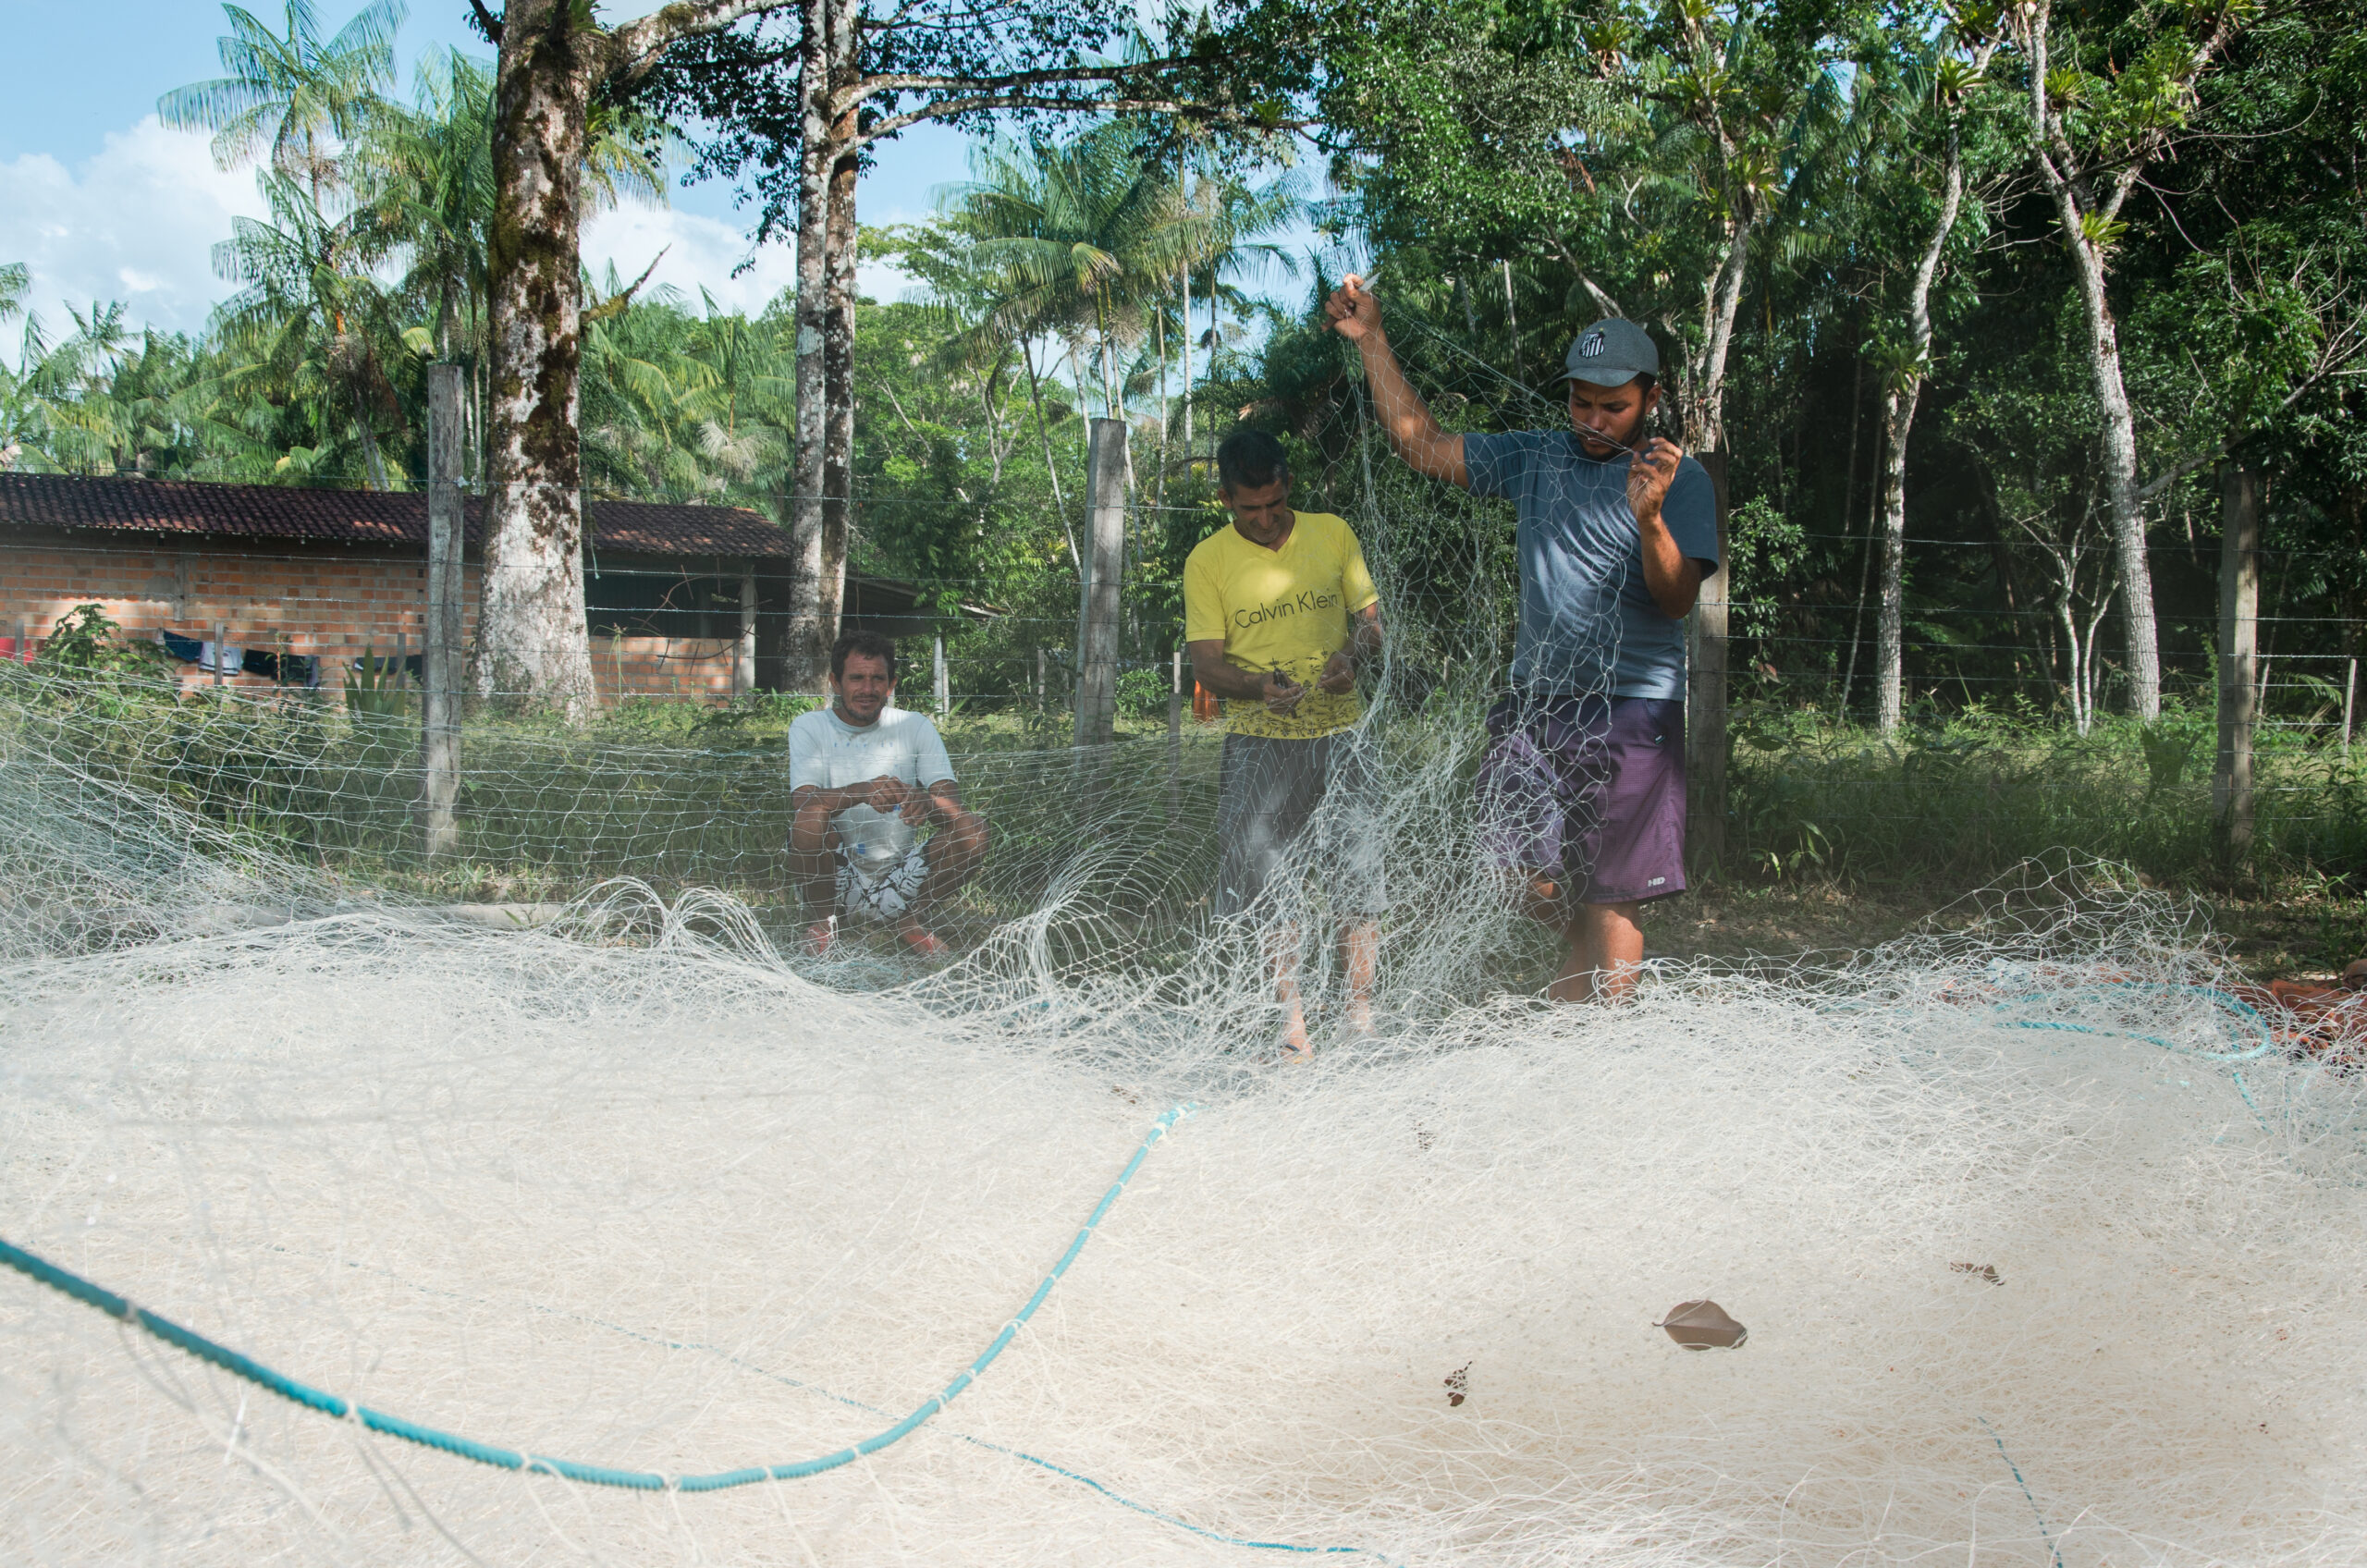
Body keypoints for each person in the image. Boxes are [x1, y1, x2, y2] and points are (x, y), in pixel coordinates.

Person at [1325, 281, 1720, 1003]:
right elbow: (1421, 445)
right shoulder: (1537, 455)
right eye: (1581, 402)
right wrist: (1373, 340)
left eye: (1614, 406)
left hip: (1634, 711)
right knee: (1508, 872)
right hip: (1535, 707)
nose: (1594, 420)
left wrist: (1652, 519)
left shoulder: (1678, 479)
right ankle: (1585, 989)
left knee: (1612, 891)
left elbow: (1677, 599)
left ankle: (1601, 1044)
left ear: (1650, 399)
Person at [1184, 428, 1386, 1057]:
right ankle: (1292, 1023)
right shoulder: (1207, 562)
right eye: (1250, 510)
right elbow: (1206, 666)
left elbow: (1372, 624)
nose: (1267, 520)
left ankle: (1359, 1012)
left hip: (1342, 733)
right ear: (1224, 499)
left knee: (1358, 871)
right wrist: (1255, 686)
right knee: (1269, 877)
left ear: (1288, 486)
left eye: (1275, 504)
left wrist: (1351, 656)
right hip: (1257, 741)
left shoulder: (1333, 534)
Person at [788, 630, 987, 957]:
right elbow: (803, 803)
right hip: (837, 874)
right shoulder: (810, 726)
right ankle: (825, 920)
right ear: (835, 683)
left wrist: (925, 801)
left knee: (974, 829)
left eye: (877, 678)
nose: (867, 689)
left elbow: (954, 807)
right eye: (856, 678)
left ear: (891, 684)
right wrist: (863, 791)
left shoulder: (915, 726)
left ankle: (909, 919)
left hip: (903, 874)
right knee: (809, 818)